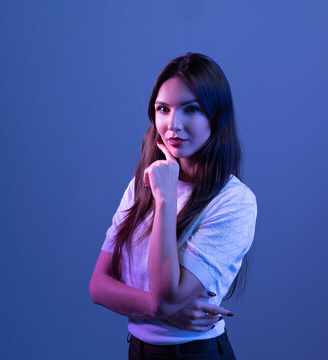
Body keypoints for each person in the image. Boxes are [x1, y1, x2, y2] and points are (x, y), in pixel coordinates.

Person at [89, 53, 257, 360]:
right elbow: (98, 286)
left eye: (191, 109)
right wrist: (164, 311)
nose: (172, 124)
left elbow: (167, 296)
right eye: (162, 109)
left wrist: (166, 198)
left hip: (195, 354)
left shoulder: (234, 201)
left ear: (216, 116)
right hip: (139, 351)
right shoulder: (142, 182)